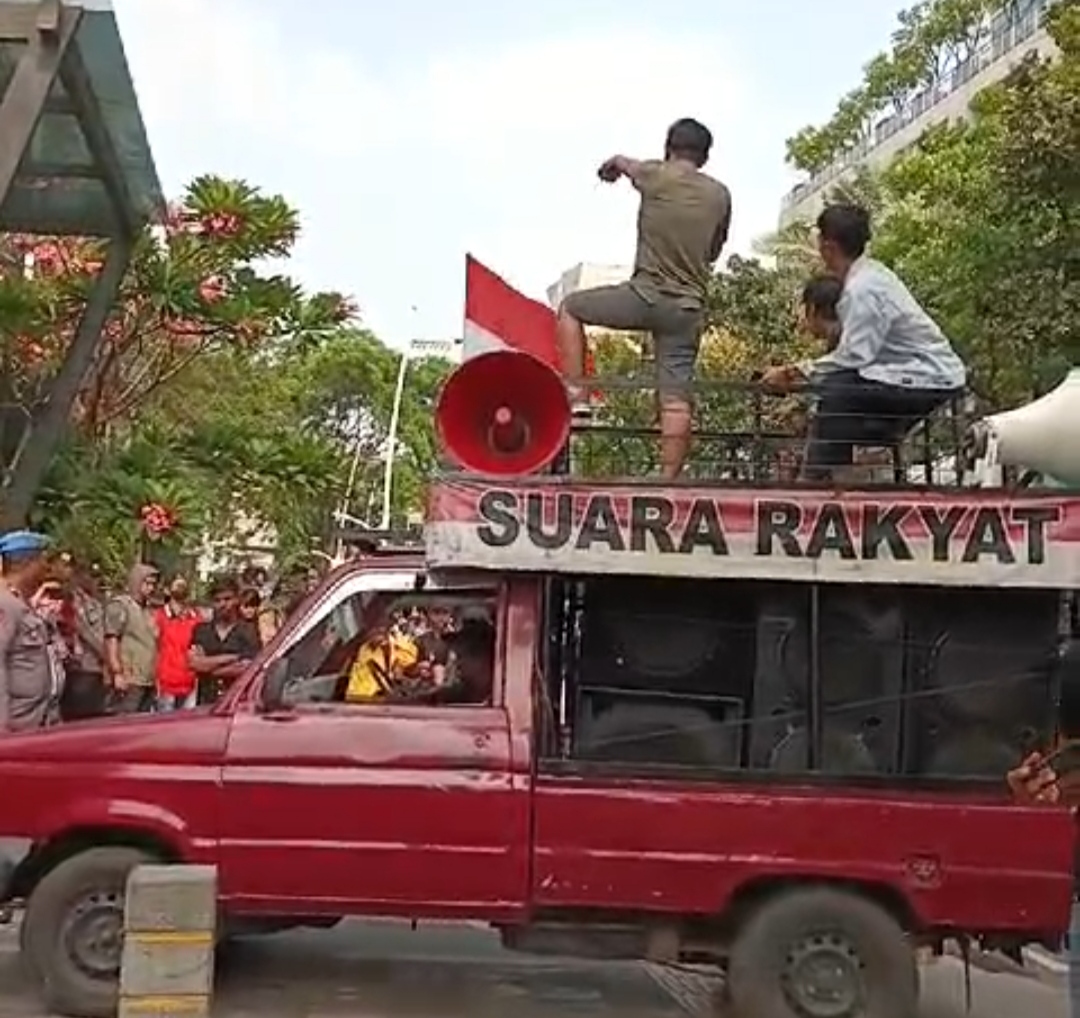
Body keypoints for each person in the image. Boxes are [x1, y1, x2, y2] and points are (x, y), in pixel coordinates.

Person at [557, 118, 732, 480]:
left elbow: (623, 162)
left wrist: (610, 168)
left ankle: (578, 396)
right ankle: (668, 480)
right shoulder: (720, 195)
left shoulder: (656, 174)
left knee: (570, 308)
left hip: (644, 295)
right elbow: (715, 250)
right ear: (705, 156)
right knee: (675, 398)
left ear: (669, 148)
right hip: (687, 310)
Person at [761, 204, 967, 483]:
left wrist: (793, 373)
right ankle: (846, 466)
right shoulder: (872, 275)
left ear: (828, 246)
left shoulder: (862, 290)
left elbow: (853, 358)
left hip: (927, 377)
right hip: (913, 374)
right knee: (840, 395)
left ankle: (815, 480)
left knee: (837, 391)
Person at [0, 531, 64, 733]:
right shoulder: (5, 605)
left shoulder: (21, 603)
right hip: (17, 726)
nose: (46, 569)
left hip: (39, 720)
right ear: (26, 564)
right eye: (42, 561)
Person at [189, 574, 261, 705]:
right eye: (217, 600)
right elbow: (195, 663)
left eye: (227, 599)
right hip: (205, 702)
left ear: (237, 600)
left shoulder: (249, 631)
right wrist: (233, 657)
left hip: (235, 703)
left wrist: (209, 667)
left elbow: (247, 668)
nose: (222, 604)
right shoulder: (201, 630)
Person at [104, 564, 160, 714]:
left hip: (147, 678)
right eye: (147, 583)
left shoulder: (149, 609)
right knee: (124, 722)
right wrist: (117, 673)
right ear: (136, 582)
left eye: (153, 584)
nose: (151, 588)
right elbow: (111, 639)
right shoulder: (121, 605)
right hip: (129, 679)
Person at [345, 605, 419, 702]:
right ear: (366, 630)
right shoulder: (363, 652)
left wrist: (403, 673)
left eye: (382, 626)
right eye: (373, 627)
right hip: (366, 705)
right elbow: (356, 692)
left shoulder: (401, 647)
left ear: (388, 627)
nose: (378, 630)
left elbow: (413, 668)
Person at [154, 575, 200, 711]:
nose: (181, 587)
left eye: (183, 584)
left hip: (191, 682)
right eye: (177, 584)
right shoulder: (159, 616)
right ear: (167, 590)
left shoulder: (196, 616)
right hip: (166, 682)